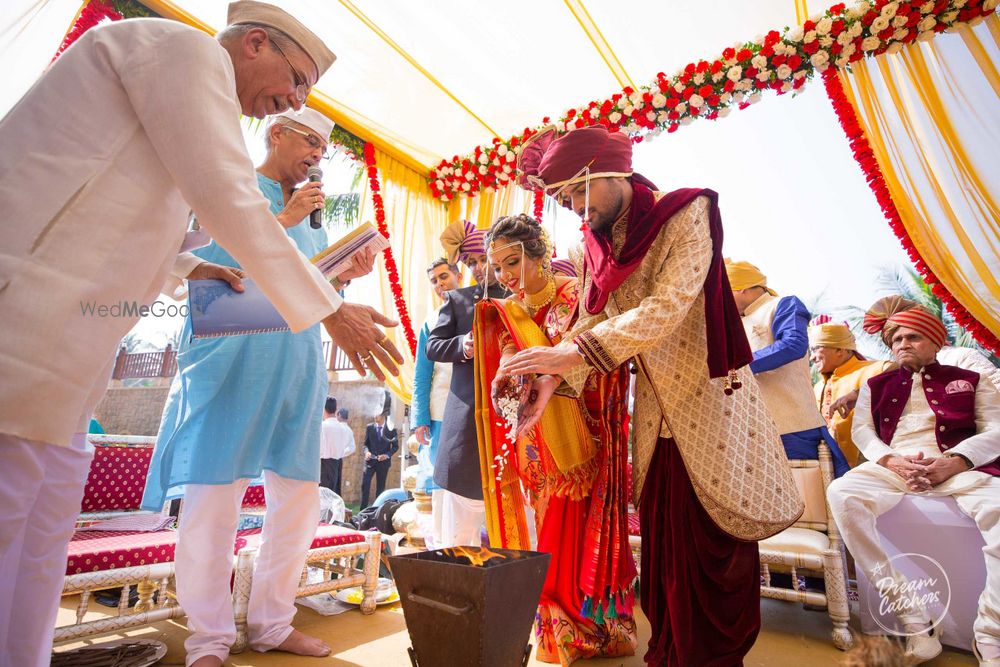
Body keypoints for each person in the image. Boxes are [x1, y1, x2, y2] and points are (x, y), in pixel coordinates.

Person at [0, 3, 403, 664]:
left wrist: (191, 262)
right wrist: (331, 307)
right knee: (11, 520)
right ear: (252, 44)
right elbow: (226, 197)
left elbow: (124, 205)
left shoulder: (194, 89)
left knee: (38, 539)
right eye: (296, 81)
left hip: (70, 355)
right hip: (25, 322)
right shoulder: (184, 53)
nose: (293, 101)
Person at [500, 125, 801, 666]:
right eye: (563, 198)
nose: (573, 208)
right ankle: (672, 654)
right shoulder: (592, 241)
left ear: (609, 172)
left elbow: (668, 308)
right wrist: (548, 383)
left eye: (576, 191)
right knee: (664, 552)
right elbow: (591, 317)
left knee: (714, 544)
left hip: (711, 402)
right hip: (654, 415)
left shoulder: (687, 214)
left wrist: (569, 356)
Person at [141, 107, 376, 666]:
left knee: (297, 502)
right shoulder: (229, 182)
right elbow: (213, 270)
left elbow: (301, 280)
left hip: (294, 361)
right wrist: (283, 216)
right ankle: (208, 639)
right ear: (277, 133)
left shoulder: (311, 212)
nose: (315, 161)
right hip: (232, 358)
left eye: (322, 155)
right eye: (309, 148)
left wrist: (343, 275)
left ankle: (273, 622)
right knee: (213, 503)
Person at [476, 214, 636, 664]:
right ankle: (557, 625)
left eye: (513, 262)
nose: (506, 276)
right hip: (541, 436)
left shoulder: (575, 296)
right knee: (548, 520)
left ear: (540, 254)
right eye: (499, 267)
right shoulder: (515, 310)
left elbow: (598, 355)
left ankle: (593, 627)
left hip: (586, 432)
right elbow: (511, 352)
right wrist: (511, 361)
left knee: (580, 526)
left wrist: (549, 372)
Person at [827, 300, 1000, 665]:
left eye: (913, 337)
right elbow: (862, 431)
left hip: (960, 468)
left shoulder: (972, 378)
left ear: (937, 342)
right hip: (895, 467)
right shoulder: (876, 384)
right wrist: (891, 460)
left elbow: (996, 429)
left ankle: (989, 634)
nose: (901, 344)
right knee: (842, 493)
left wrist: (955, 461)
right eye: (896, 340)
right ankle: (915, 617)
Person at [426, 221, 509, 547]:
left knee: (514, 530)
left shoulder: (520, 299)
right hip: (466, 423)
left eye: (482, 259)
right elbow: (434, 346)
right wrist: (463, 345)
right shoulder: (459, 301)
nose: (478, 268)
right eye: (471, 262)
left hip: (510, 424)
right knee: (459, 534)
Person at [727, 259, 848, 476]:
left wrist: (737, 366)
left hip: (792, 423)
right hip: (750, 428)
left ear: (741, 288)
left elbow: (793, 344)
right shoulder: (735, 322)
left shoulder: (782, 304)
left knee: (808, 495)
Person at [411, 258, 462, 545]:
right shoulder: (430, 321)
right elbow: (421, 375)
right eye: (434, 280)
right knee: (442, 480)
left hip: (473, 407)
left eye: (444, 276)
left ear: (458, 275)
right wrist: (420, 418)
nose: (440, 283)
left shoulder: (476, 310)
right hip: (441, 410)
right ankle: (443, 544)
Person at [810, 319, 896, 466]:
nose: (812, 357)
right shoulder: (817, 387)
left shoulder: (877, 369)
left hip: (870, 460)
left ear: (840, 350)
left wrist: (858, 393)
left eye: (816, 349)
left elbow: (903, 368)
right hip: (827, 463)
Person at [360, 412, 398, 508]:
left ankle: (377, 510)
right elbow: (365, 444)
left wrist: (387, 455)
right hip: (369, 462)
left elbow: (395, 446)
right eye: (374, 414)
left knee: (380, 488)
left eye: (377, 415)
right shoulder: (369, 427)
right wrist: (367, 452)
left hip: (383, 463)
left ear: (383, 415)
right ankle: (362, 510)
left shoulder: (391, 429)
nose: (374, 416)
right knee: (365, 485)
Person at [320, 399, 356, 495]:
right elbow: (350, 447)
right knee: (332, 495)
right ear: (336, 410)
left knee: (322, 497)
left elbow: (319, 448)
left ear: (324, 409)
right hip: (335, 464)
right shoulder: (343, 428)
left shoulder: (322, 426)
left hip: (323, 465)